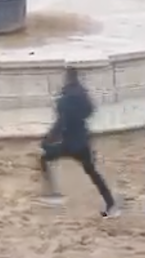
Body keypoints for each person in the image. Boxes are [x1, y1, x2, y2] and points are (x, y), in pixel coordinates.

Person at [40, 67, 120, 218]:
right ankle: (110, 203)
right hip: (83, 141)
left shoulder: (64, 99)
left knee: (45, 158)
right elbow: (89, 111)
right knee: (93, 173)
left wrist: (47, 139)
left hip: (68, 143)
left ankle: (52, 193)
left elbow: (60, 123)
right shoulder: (83, 95)